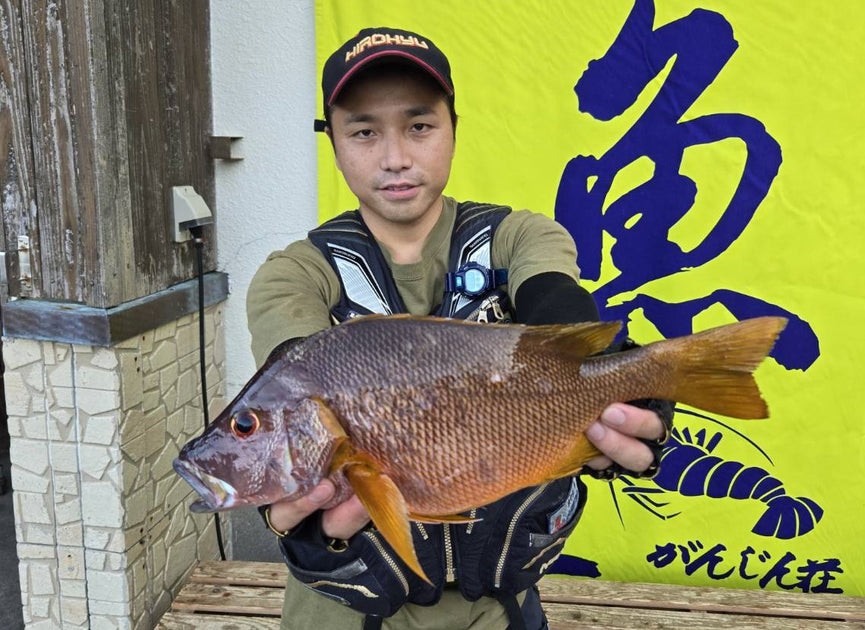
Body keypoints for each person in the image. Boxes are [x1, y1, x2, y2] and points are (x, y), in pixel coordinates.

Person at [246, 27, 673, 630]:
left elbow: (554, 302)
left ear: (453, 127)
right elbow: (298, 381)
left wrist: (625, 377)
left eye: (419, 126)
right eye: (364, 131)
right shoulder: (294, 273)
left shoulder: (520, 236)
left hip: (496, 607)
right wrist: (293, 491)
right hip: (342, 610)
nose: (395, 157)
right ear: (334, 144)